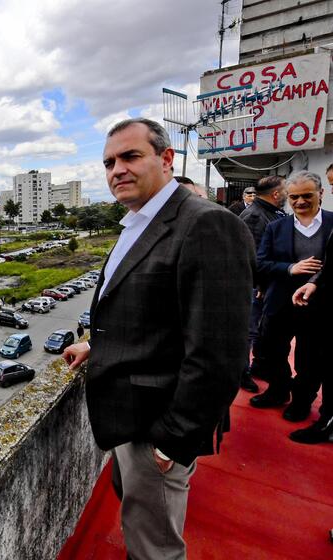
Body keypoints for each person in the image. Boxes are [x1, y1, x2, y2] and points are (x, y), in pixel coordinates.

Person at [63, 118, 254, 560]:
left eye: (131, 156)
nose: (117, 170)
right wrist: (96, 345)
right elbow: (155, 313)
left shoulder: (206, 225)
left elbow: (220, 352)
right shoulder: (138, 222)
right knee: (139, 530)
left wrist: (171, 441)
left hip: (158, 426)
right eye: (109, 162)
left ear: (166, 160)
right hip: (132, 418)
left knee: (154, 549)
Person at [252, 170, 332, 425]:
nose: (300, 202)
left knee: (310, 358)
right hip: (280, 302)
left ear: (321, 193)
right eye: (294, 197)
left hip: (319, 306)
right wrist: (289, 268)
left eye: (307, 195)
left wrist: (314, 281)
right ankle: (278, 391)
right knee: (273, 351)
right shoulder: (276, 227)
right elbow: (260, 263)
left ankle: (301, 401)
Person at [238, 175, 288, 393]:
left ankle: (257, 367)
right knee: (248, 332)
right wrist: (260, 285)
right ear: (276, 194)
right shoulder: (255, 216)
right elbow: (252, 256)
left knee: (259, 331)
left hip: (265, 286)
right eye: (286, 190)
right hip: (255, 286)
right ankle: (241, 372)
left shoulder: (272, 212)